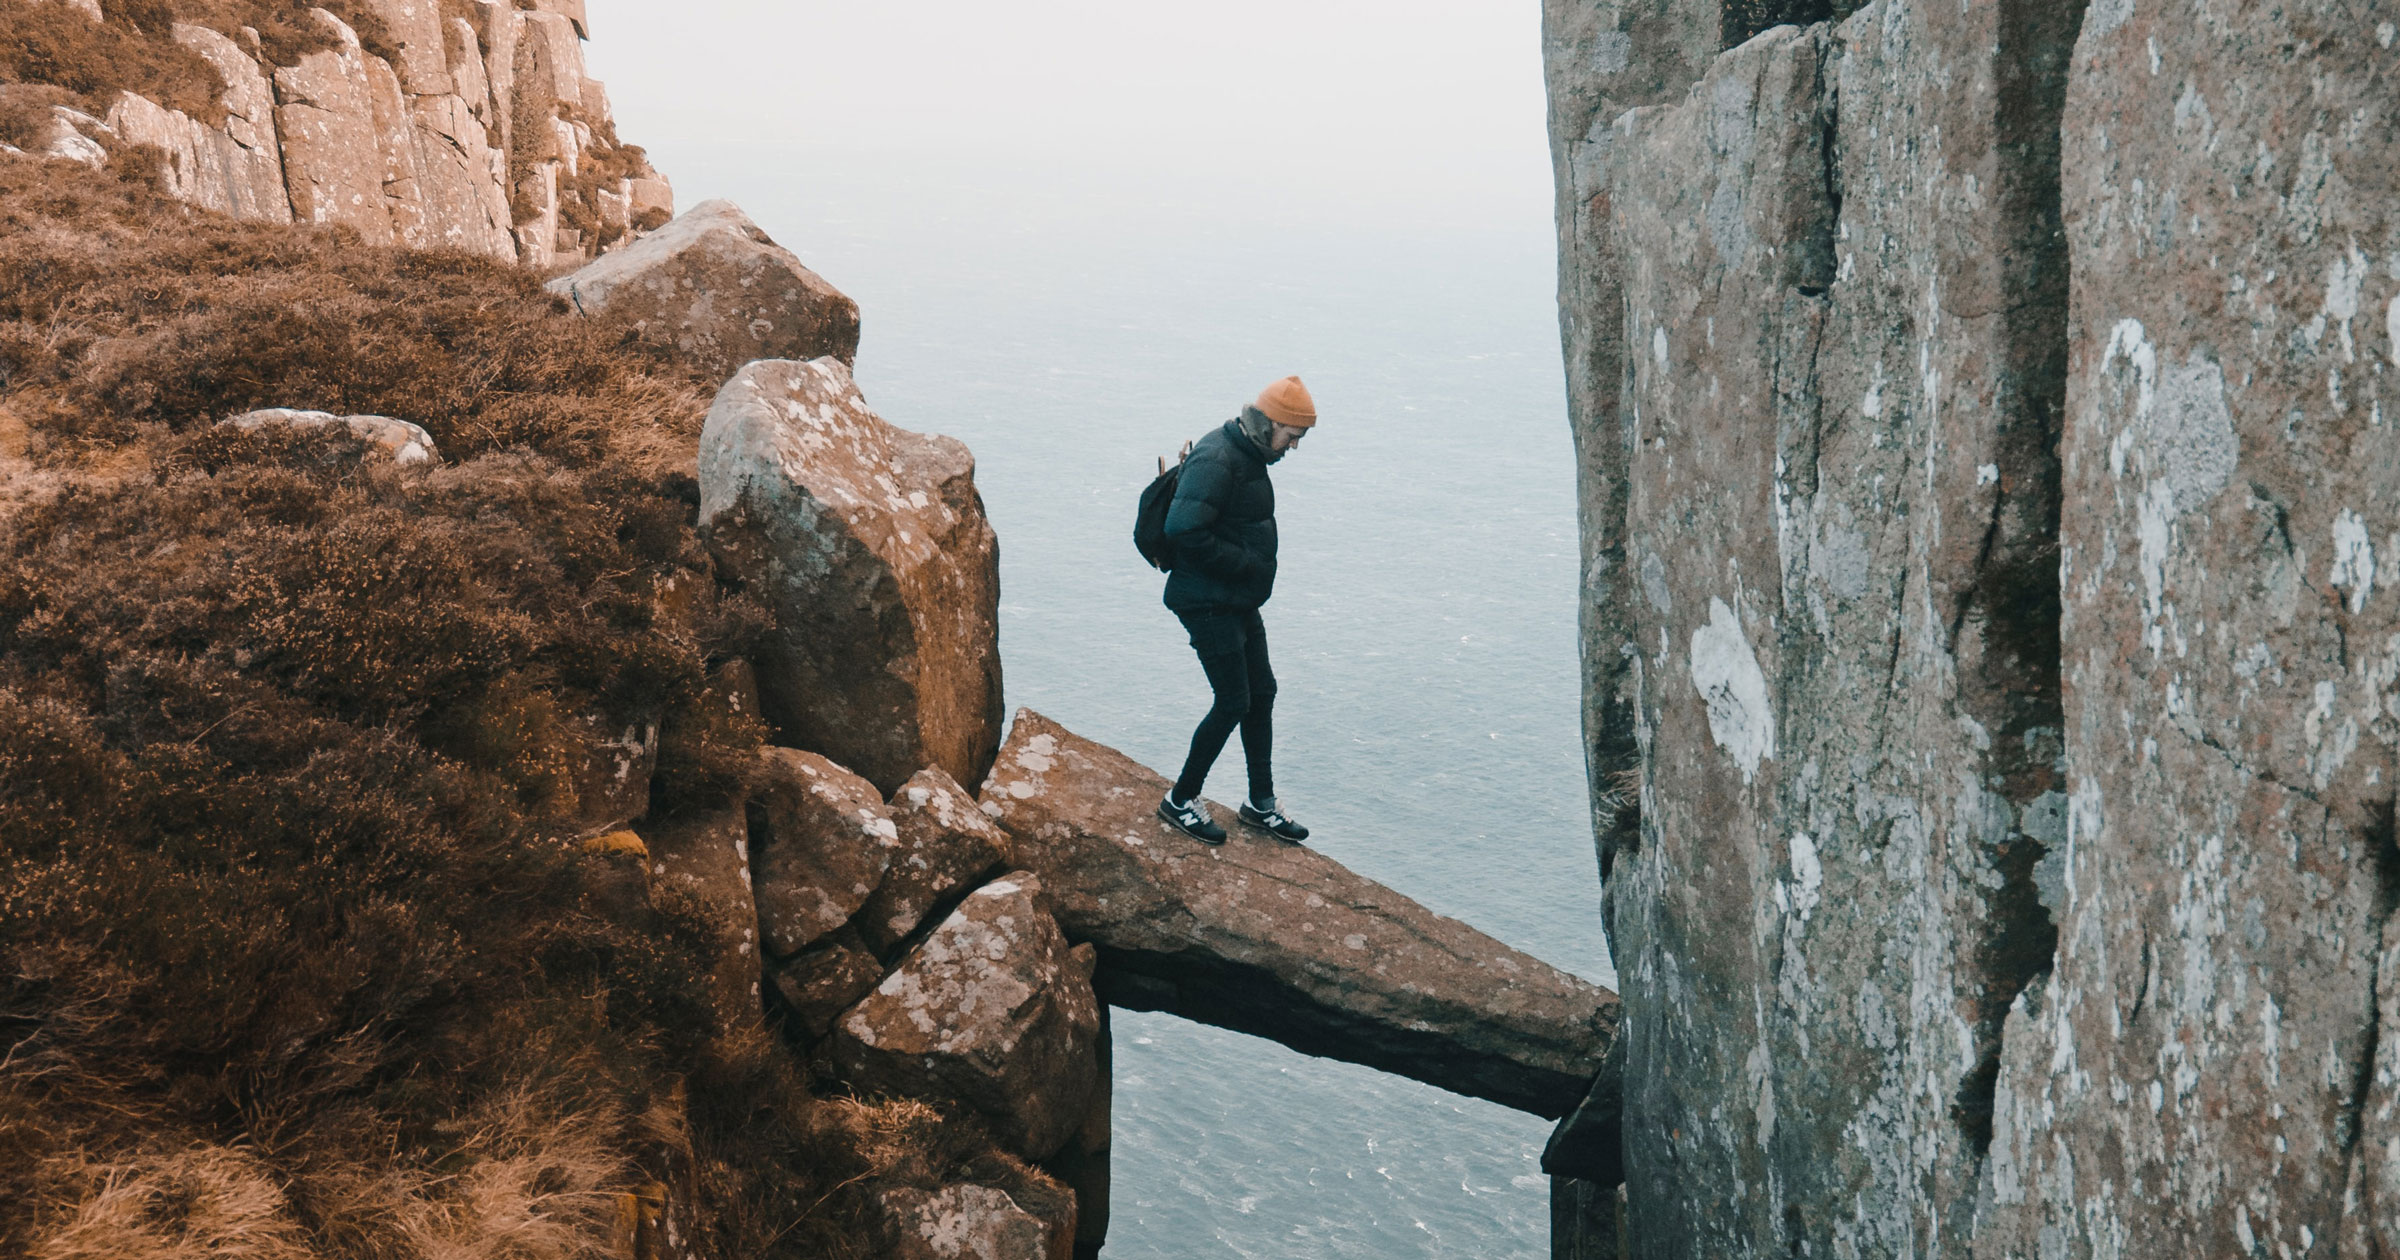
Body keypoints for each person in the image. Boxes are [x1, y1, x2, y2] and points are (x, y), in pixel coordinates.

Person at [1154, 375, 1316, 846]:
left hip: (1234, 598)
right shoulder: (1217, 458)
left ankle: (1260, 804)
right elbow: (1183, 528)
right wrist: (1245, 565)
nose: (1293, 447)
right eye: (1292, 436)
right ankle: (1180, 799)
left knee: (1261, 691)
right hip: (1206, 602)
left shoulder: (1247, 454)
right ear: (1269, 424)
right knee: (1233, 701)